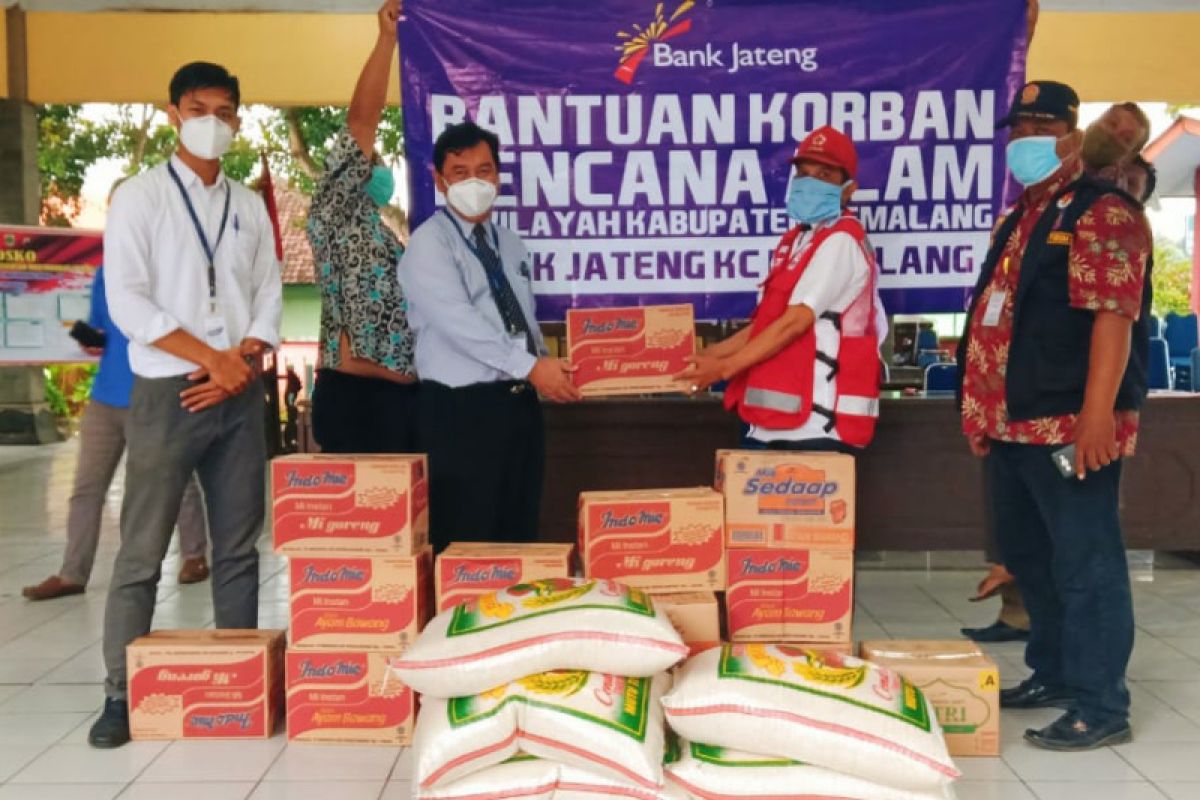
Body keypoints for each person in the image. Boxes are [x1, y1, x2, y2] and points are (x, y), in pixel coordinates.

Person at [89, 61, 282, 748]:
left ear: (236, 118)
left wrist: (246, 355)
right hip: (170, 390)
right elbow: (128, 302)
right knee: (142, 550)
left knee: (236, 546)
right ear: (172, 112)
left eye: (225, 110)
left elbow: (267, 288)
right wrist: (213, 359)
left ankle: (239, 677)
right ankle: (120, 694)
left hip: (237, 390)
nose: (212, 122)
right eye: (198, 108)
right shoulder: (139, 198)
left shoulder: (247, 202)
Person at [956, 80, 1152, 751]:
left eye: (1041, 127)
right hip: (1011, 424)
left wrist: (1098, 416)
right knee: (1031, 559)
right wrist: (981, 411)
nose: (1026, 141)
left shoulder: (1103, 212)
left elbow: (1113, 320)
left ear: (1073, 134)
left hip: (1070, 427)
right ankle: (1055, 672)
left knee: (1085, 563)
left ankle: (1101, 703)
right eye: (1018, 129)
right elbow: (1001, 320)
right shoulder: (1023, 216)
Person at [399, 121, 581, 550]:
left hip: (518, 405)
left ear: (498, 176)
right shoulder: (429, 244)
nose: (475, 182)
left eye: (484, 170)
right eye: (460, 173)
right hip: (460, 412)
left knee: (517, 530)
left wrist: (550, 368)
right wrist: (534, 367)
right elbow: (461, 324)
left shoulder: (510, 245)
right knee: (467, 538)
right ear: (439, 181)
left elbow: (523, 322)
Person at [677, 125, 883, 454]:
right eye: (802, 174)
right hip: (773, 421)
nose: (809, 182)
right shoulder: (797, 241)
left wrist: (723, 369)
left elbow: (795, 321)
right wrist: (702, 357)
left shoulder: (841, 240)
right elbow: (767, 325)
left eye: (824, 174)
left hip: (817, 427)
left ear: (848, 190)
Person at [22, 268, 211, 602]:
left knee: (173, 476)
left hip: (153, 393)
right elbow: (103, 327)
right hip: (105, 395)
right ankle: (72, 573)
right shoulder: (104, 273)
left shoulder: (164, 268)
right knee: (85, 489)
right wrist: (92, 339)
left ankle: (194, 556)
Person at [307, 0, 416, 453]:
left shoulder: (381, 230)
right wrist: (387, 42)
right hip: (357, 398)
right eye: (367, 160)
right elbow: (360, 122)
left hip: (402, 397)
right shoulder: (331, 212)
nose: (374, 165)